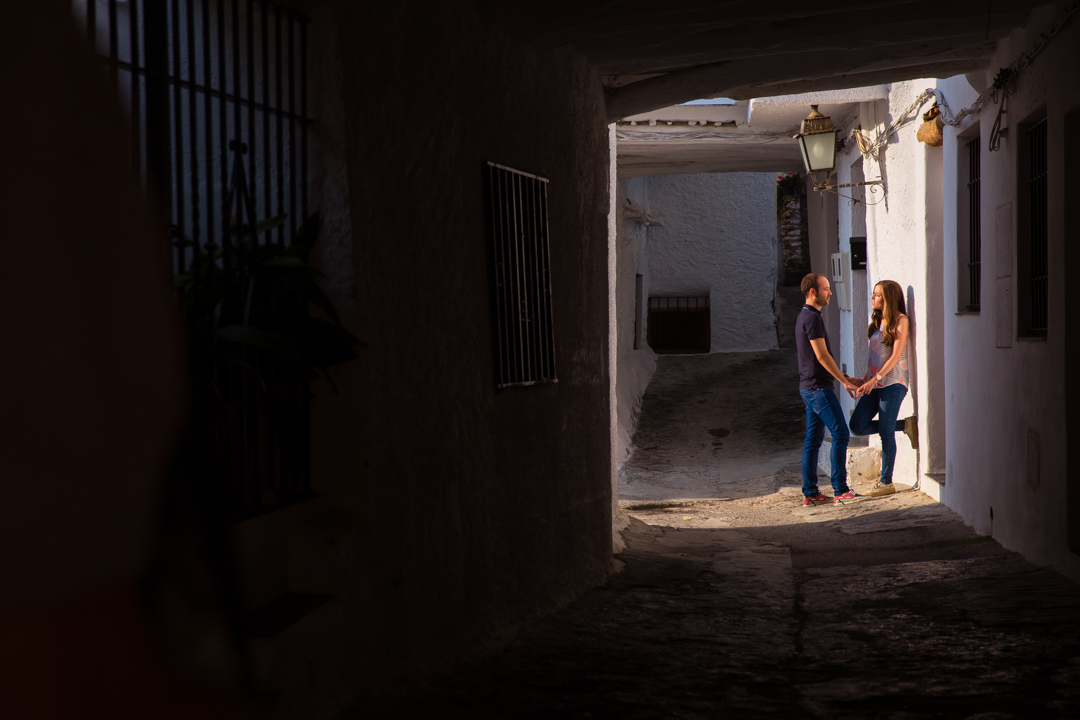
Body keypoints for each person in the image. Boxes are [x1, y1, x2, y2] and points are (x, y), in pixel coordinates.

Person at [848, 280, 919, 497]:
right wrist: (863, 379)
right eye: (873, 294)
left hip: (893, 383)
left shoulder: (901, 320)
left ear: (887, 298)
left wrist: (875, 379)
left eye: (877, 295)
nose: (872, 298)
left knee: (885, 432)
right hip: (875, 382)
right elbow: (877, 358)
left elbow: (896, 355)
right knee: (857, 426)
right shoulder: (878, 322)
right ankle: (905, 425)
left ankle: (886, 482)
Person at [795, 273, 861, 506]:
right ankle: (840, 490)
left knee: (813, 441)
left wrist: (843, 376)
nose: (830, 292)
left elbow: (819, 358)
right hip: (818, 389)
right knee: (841, 433)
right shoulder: (812, 318)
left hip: (809, 387)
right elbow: (822, 356)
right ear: (813, 292)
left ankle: (810, 493)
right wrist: (843, 382)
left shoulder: (807, 315)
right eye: (825, 289)